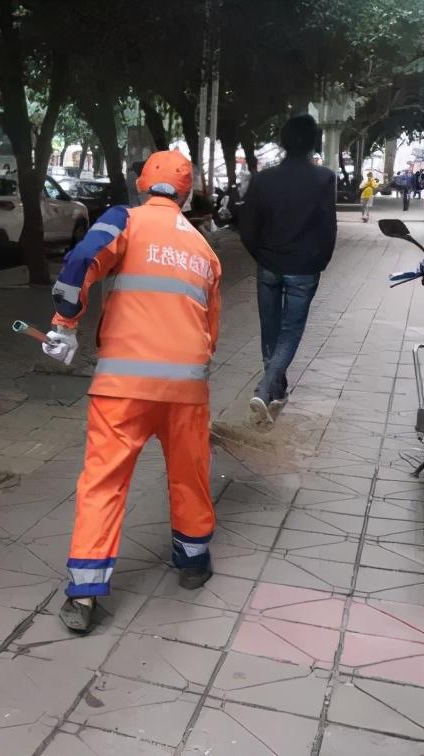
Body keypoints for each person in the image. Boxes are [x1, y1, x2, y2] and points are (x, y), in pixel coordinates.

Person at [43, 150, 221, 633]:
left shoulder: (125, 219)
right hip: (185, 388)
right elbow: (212, 331)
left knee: (104, 482)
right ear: (185, 193)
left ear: (144, 184)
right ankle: (192, 560)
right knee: (189, 472)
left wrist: (65, 324)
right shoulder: (204, 250)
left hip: (122, 387)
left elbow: (82, 260)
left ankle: (83, 597)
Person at [239, 114, 336, 424]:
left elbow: (247, 228)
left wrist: (262, 255)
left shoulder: (264, 180)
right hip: (304, 269)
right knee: (289, 332)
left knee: (270, 330)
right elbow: (327, 228)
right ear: (313, 143)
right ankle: (267, 387)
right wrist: (319, 262)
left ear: (282, 141)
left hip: (269, 265)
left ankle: (276, 392)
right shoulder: (323, 179)